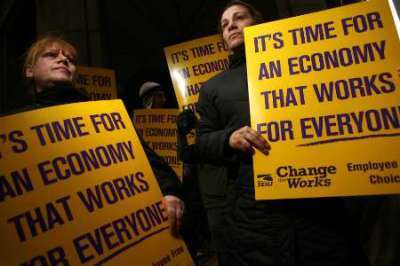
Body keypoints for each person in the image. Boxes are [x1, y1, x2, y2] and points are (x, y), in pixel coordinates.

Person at [196, 1, 369, 265]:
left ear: (259, 22)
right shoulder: (213, 87)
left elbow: (347, 101)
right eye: (224, 24)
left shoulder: (304, 64)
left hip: (316, 205)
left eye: (239, 17)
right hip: (254, 214)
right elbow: (201, 141)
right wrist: (227, 139)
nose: (231, 25)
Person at [14, 35, 184, 236]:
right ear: (29, 70)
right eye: (51, 55)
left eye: (70, 59)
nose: (63, 60)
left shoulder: (105, 116)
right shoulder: (14, 128)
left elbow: (147, 159)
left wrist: (170, 193)